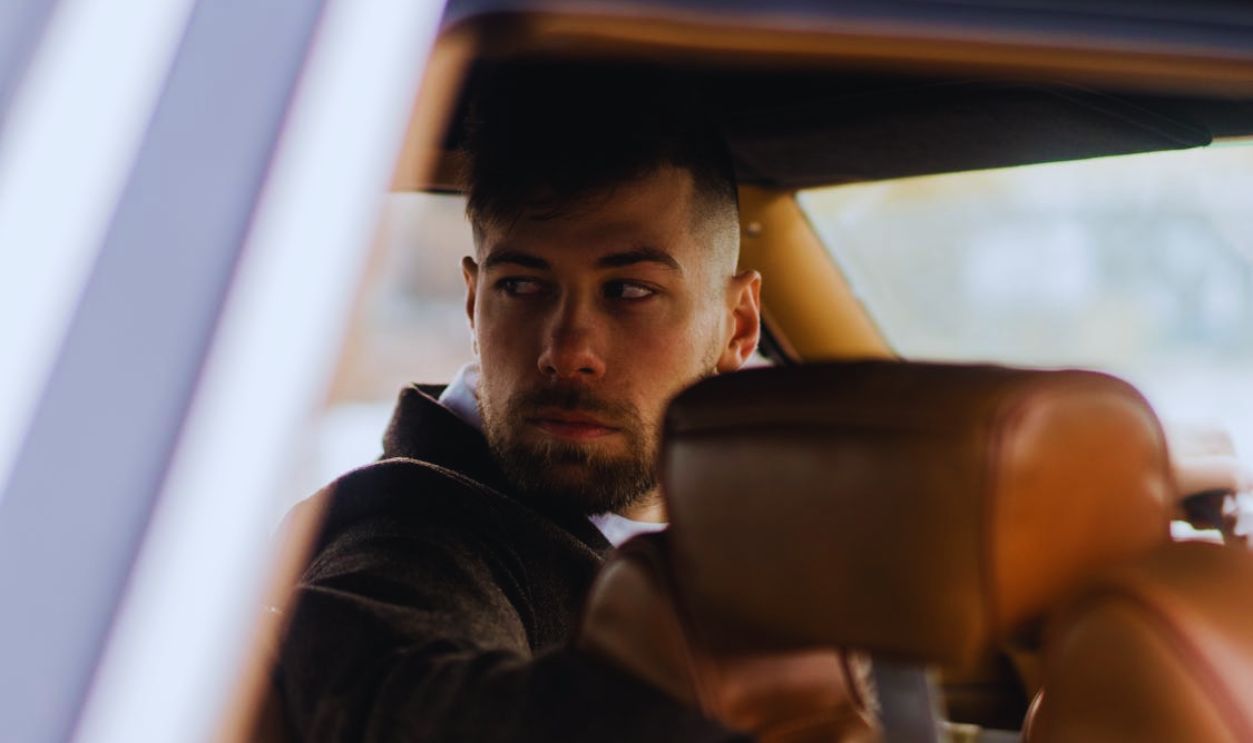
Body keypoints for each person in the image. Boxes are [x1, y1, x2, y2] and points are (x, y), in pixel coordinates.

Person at [276, 64, 872, 742]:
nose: (566, 350)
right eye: (524, 287)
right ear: (474, 304)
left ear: (737, 326)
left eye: (628, 291)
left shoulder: (759, 532)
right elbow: (400, 692)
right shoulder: (405, 533)